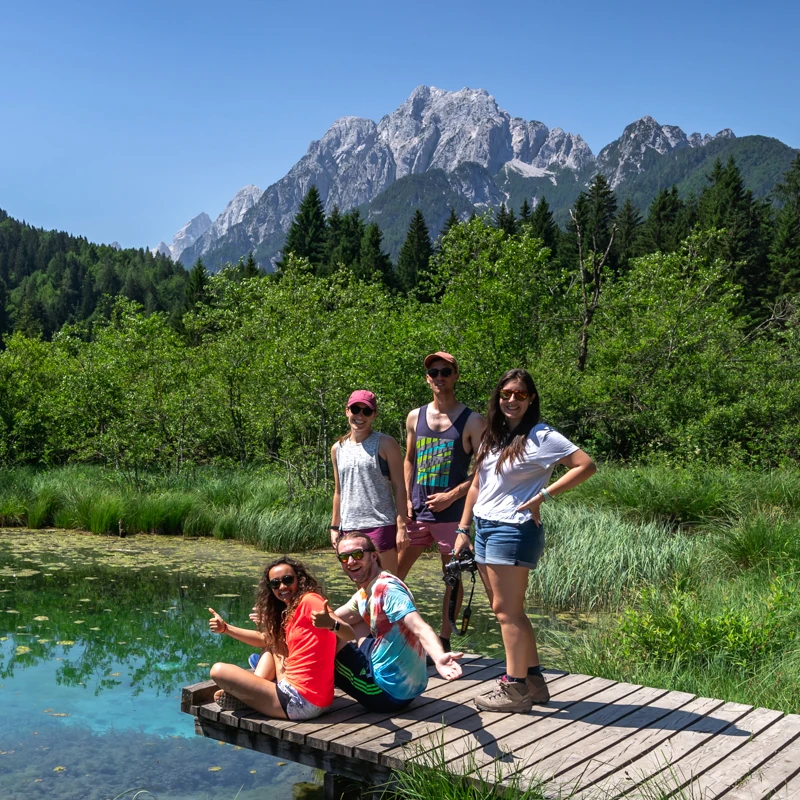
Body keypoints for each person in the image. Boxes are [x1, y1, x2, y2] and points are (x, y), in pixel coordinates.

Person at [455, 369, 596, 713]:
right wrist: (463, 529)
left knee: (507, 613)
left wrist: (542, 496)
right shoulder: (494, 434)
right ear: (498, 397)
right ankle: (533, 682)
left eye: (520, 395)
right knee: (508, 611)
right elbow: (478, 486)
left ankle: (514, 688)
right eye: (506, 394)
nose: (512, 400)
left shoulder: (541, 435)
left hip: (513, 529)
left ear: (531, 399)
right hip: (485, 526)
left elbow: (585, 464)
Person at [310, 532, 463, 711]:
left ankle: (305, 696)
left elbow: (420, 628)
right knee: (355, 622)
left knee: (330, 643)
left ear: (373, 556)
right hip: (411, 688)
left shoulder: (388, 591)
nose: (350, 562)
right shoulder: (368, 590)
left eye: (357, 555)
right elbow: (336, 616)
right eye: (344, 557)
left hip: (387, 693)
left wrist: (439, 658)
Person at [397, 351, 485, 649]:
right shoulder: (415, 416)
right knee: (392, 575)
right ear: (427, 379)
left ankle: (444, 638)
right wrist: (406, 498)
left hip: (453, 515)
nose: (439, 377)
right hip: (416, 512)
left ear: (456, 375)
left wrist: (452, 495)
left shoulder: (472, 421)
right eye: (433, 373)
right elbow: (409, 459)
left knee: (452, 577)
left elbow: (484, 470)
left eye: (445, 371)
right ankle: (396, 633)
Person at [208, 557, 336, 720]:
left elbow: (342, 626)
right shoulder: (291, 609)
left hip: (299, 702)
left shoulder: (309, 600)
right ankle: (254, 691)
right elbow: (265, 639)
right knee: (273, 644)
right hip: (320, 700)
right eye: (275, 583)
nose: (282, 586)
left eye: (288, 580)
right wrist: (225, 628)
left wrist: (333, 624)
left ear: (300, 579)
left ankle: (250, 696)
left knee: (218, 670)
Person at [330, 390, 408, 575]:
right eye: (356, 409)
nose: (360, 416)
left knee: (387, 584)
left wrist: (401, 526)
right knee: (361, 589)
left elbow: (399, 486)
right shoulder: (337, 449)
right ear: (347, 411)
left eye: (366, 411)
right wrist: (334, 527)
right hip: (349, 527)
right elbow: (338, 491)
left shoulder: (386, 443)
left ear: (374, 415)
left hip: (380, 524)